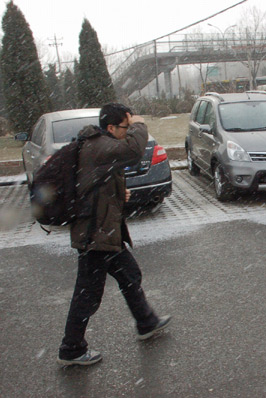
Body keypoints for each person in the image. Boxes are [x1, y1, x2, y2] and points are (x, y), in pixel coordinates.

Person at [57, 103, 171, 366]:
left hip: (105, 233)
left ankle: (146, 322)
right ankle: (71, 348)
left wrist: (121, 194)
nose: (129, 131)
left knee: (130, 275)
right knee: (87, 295)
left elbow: (96, 184)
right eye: (126, 127)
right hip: (95, 237)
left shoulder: (99, 145)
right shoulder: (99, 145)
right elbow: (132, 151)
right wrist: (140, 124)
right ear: (111, 128)